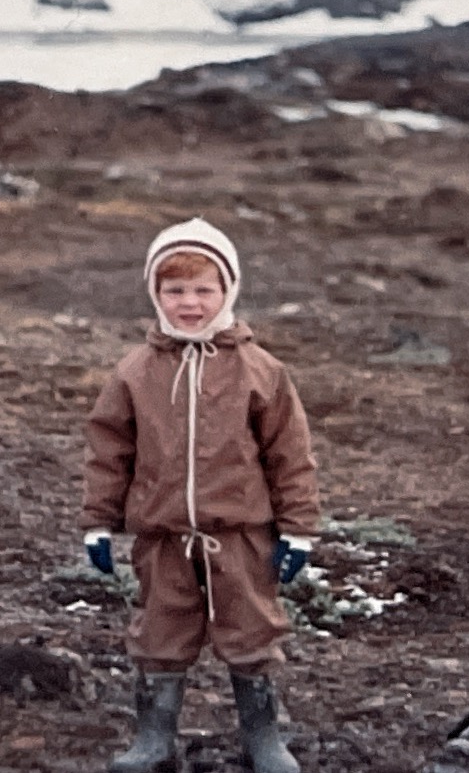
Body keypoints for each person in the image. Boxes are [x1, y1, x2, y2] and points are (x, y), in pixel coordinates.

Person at [80, 217, 321, 773]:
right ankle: (154, 738)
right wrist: (98, 522)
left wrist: (299, 530)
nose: (189, 303)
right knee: (160, 631)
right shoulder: (135, 372)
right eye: (175, 289)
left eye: (203, 289)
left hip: (241, 535)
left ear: (228, 290)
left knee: (252, 630)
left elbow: (290, 456)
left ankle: (262, 737)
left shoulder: (261, 371)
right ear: (155, 293)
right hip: (163, 536)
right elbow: (108, 451)